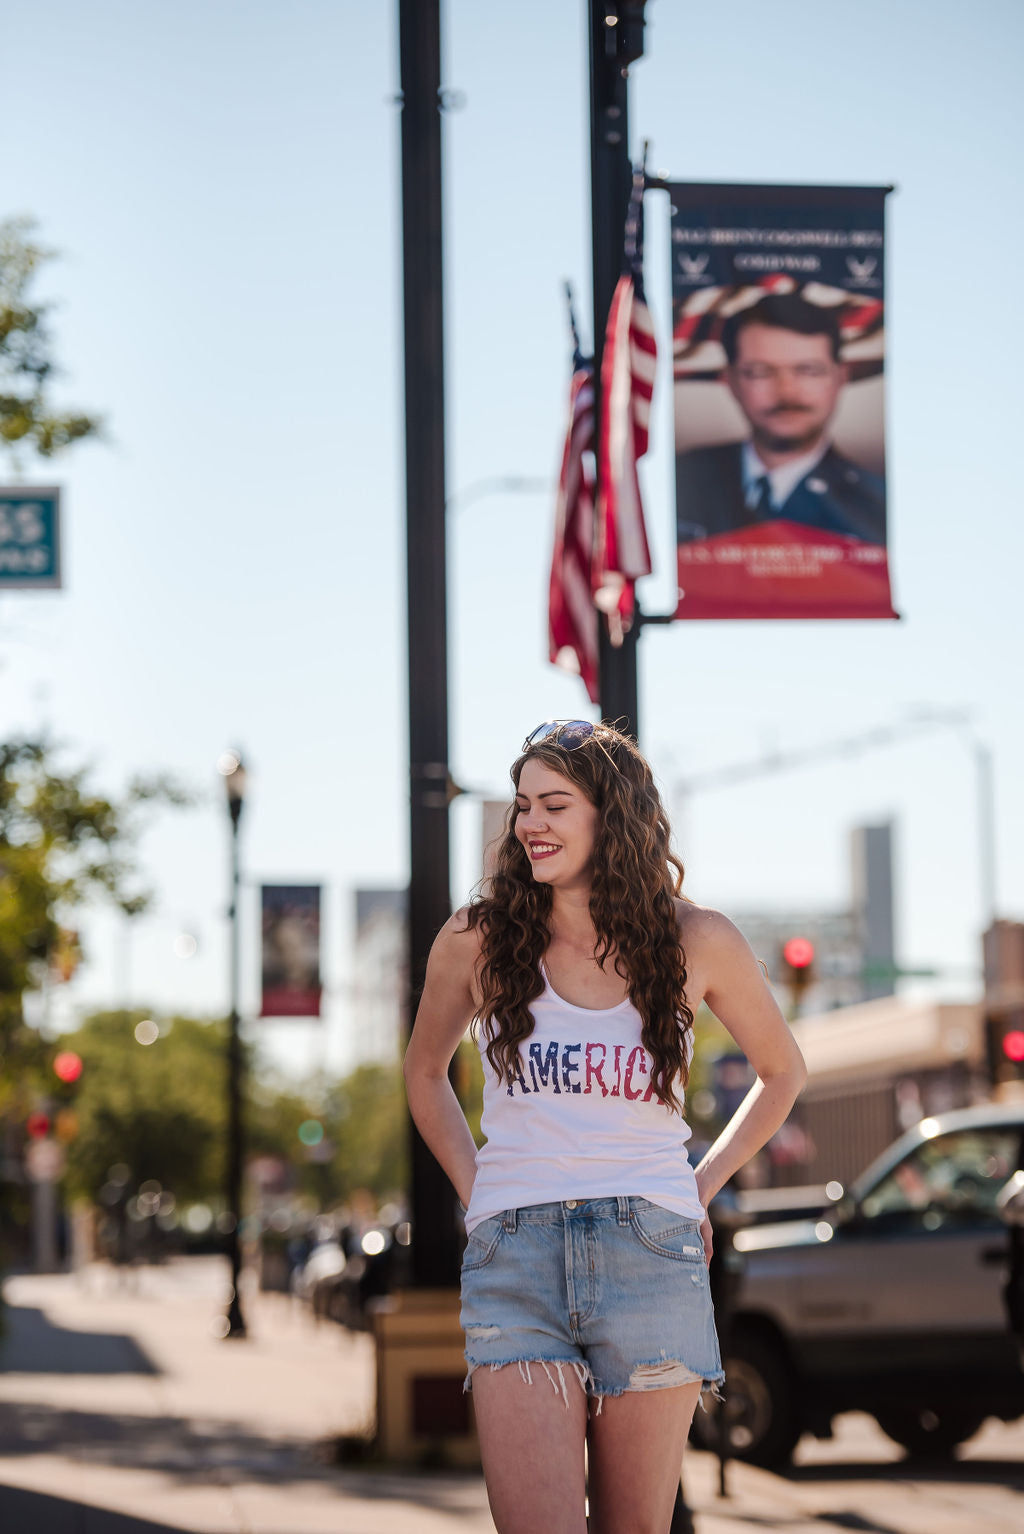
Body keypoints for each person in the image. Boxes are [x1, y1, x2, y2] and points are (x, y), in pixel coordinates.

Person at [404, 719, 807, 1534]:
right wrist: (478, 1191)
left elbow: (783, 1073)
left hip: (649, 1255)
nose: (530, 824)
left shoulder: (698, 940)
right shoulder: (477, 940)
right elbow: (423, 1073)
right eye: (523, 806)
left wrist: (698, 1188)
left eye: (554, 804)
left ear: (611, 816)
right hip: (514, 1257)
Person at [676, 292, 886, 545]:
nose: (786, 392)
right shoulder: (685, 477)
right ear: (730, 381)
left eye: (808, 371)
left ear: (840, 378)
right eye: (761, 372)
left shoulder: (874, 499)